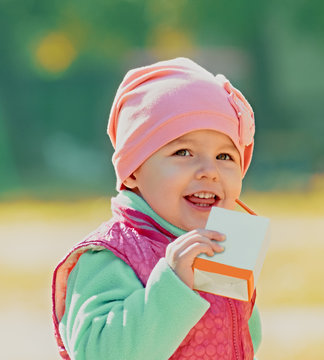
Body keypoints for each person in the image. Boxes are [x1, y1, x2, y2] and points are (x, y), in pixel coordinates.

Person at [52, 57, 261, 360]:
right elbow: (97, 354)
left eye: (225, 156)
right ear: (134, 171)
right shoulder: (110, 256)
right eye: (184, 152)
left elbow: (241, 341)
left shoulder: (221, 248)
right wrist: (172, 285)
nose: (209, 171)